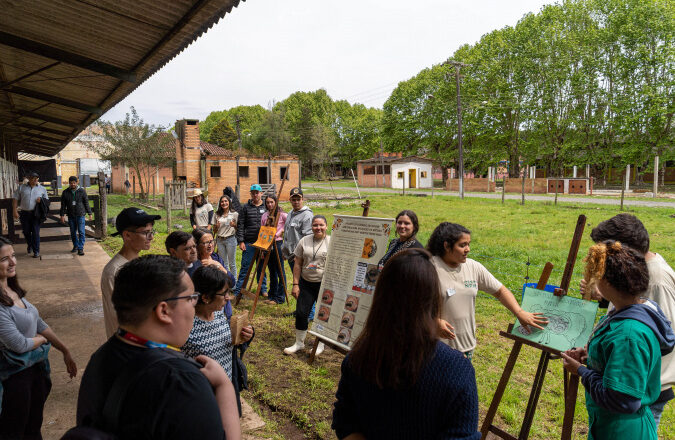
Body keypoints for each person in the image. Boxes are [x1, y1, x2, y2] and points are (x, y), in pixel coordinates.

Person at [76, 255, 241, 439]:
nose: (194, 305)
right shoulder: (181, 381)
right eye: (191, 299)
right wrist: (223, 385)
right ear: (164, 311)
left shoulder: (100, 357)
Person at [332, 248, 480, 439]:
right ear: (432, 299)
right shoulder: (457, 368)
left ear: (381, 295)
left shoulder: (357, 359)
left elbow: (345, 422)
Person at [561, 241, 675, 440]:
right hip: (611, 425)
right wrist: (592, 356)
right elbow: (622, 362)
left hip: (622, 431)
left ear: (606, 283)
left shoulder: (629, 335)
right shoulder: (630, 310)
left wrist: (581, 371)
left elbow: (623, 401)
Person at [580, 213, 675, 426]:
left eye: (606, 254)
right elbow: (634, 309)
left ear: (624, 251)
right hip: (622, 382)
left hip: (639, 391)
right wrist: (605, 298)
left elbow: (662, 335)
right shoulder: (633, 271)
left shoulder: (657, 280)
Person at [426, 222, 547, 360]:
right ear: (446, 246)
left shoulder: (473, 267)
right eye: (462, 245)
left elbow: (500, 291)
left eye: (468, 244)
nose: (468, 249)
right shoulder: (429, 267)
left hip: (466, 348)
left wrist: (519, 312)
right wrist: (434, 321)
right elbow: (410, 305)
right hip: (435, 347)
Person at [0, 237, 77, 439]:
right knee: (15, 431)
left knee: (33, 427)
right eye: (4, 259)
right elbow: (18, 344)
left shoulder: (12, 289)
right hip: (14, 378)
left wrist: (64, 350)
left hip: (34, 370)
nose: (13, 262)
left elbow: (38, 323)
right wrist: (43, 341)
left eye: (13, 256)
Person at [182, 266, 254, 416]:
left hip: (227, 388)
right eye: (224, 293)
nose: (228, 297)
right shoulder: (185, 326)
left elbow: (227, 342)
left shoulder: (220, 312)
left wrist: (245, 335)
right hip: (201, 398)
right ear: (206, 297)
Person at [100, 207, 160, 338]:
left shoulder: (139, 263)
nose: (151, 237)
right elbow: (122, 319)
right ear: (127, 235)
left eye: (151, 231)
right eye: (146, 233)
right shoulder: (115, 271)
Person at [284, 215, 330, 356]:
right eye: (315, 225)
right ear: (311, 227)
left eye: (321, 225)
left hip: (324, 285)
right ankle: (299, 343)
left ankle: (320, 345)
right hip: (306, 283)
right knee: (302, 313)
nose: (318, 228)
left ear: (326, 226)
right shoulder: (304, 241)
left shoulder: (332, 242)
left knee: (322, 315)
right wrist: (295, 284)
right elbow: (297, 263)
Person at [281, 187, 313, 316]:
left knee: (304, 285)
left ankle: (310, 314)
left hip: (300, 257)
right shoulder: (290, 213)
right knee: (298, 284)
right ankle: (301, 309)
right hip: (290, 255)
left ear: (302, 199)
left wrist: (300, 256)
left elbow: (307, 238)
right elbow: (288, 234)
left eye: (298, 199)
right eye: (293, 199)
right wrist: (285, 252)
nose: (296, 202)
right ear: (290, 200)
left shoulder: (307, 215)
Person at [234, 184, 267, 298]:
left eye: (257, 192)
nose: (255, 195)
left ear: (261, 193)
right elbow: (241, 224)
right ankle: (239, 291)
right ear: (251, 194)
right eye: (253, 192)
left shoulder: (266, 207)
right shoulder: (245, 207)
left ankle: (263, 289)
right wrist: (241, 241)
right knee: (245, 267)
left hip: (263, 243)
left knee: (261, 268)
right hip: (249, 243)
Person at [13, 171, 49, 258]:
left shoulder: (42, 189)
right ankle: (30, 245)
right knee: (26, 231)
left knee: (36, 232)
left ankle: (36, 251)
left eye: (36, 179)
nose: (35, 180)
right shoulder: (21, 188)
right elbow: (15, 199)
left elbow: (47, 201)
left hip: (36, 214)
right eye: (33, 178)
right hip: (25, 213)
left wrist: (41, 200)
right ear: (29, 179)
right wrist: (14, 211)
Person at [261, 194, 287, 305]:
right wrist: (262, 248)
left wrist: (281, 231)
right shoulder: (265, 216)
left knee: (280, 270)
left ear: (275, 202)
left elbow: (288, 224)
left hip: (278, 243)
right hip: (268, 244)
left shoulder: (282, 215)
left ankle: (280, 297)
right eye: (267, 202)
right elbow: (262, 231)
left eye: (272, 202)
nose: (270, 204)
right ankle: (272, 295)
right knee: (272, 271)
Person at [59, 176, 93, 256]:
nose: (73, 184)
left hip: (80, 214)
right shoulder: (65, 192)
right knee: (73, 232)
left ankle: (80, 248)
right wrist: (62, 215)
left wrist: (90, 213)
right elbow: (63, 205)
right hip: (71, 215)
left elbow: (86, 202)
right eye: (71, 183)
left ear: (77, 182)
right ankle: (75, 245)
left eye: (74, 183)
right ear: (69, 183)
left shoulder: (82, 191)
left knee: (81, 232)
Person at [213, 195, 239, 278]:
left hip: (230, 239)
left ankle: (234, 283)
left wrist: (234, 225)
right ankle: (226, 281)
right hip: (220, 240)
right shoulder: (217, 214)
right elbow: (214, 231)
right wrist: (216, 226)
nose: (224, 203)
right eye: (222, 201)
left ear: (229, 202)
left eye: (226, 201)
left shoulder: (235, 214)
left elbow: (239, 229)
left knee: (232, 263)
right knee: (223, 263)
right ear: (220, 203)